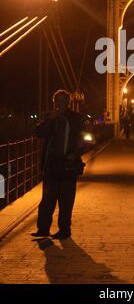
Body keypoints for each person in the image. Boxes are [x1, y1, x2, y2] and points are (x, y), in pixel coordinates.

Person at [31, 90, 85, 239]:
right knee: (47, 199)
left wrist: (76, 153)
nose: (59, 104)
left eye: (62, 101)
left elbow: (83, 139)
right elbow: (38, 133)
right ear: (54, 102)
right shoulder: (50, 118)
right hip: (52, 164)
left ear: (68, 102)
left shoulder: (76, 118)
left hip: (68, 164)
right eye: (57, 101)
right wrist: (48, 120)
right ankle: (43, 229)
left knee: (66, 201)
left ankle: (64, 230)